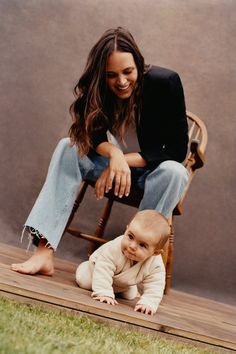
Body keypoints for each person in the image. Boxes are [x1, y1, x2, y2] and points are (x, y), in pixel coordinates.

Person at [11, 27, 189, 276]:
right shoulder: (98, 88)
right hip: (108, 167)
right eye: (112, 75)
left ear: (138, 63)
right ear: (101, 75)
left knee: (176, 172)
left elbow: (177, 149)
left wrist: (123, 161)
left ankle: (133, 271)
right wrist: (114, 156)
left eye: (128, 72)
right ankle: (43, 252)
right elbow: (90, 134)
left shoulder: (165, 82)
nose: (122, 82)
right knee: (67, 146)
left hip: (150, 175)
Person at [76, 210, 170, 315]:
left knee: (130, 295)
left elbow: (156, 284)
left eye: (142, 245)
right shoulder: (114, 249)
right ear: (126, 229)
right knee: (84, 281)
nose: (132, 246)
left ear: (155, 253)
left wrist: (148, 303)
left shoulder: (155, 264)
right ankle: (84, 268)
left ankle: (124, 287)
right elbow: (103, 268)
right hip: (97, 270)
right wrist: (104, 293)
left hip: (122, 283)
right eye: (130, 237)